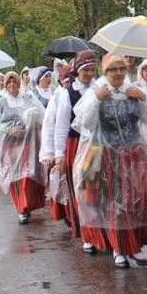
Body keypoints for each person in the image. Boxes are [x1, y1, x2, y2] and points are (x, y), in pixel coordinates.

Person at [71, 53, 147, 268]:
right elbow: (85, 121)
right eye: (113, 69)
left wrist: (143, 97)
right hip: (108, 156)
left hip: (135, 154)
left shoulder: (132, 91)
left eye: (121, 69)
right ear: (105, 72)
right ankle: (120, 248)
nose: (118, 73)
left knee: (138, 199)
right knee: (114, 201)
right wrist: (96, 98)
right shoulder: (97, 92)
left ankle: (135, 245)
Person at [0, 71, 47, 225]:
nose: (12, 85)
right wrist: (10, 130)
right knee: (15, 176)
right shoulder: (0, 104)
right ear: (5, 85)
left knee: (28, 174)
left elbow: (43, 118)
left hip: (29, 144)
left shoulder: (30, 99)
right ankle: (21, 208)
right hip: (11, 145)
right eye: (9, 83)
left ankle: (27, 204)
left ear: (19, 83)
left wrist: (31, 127)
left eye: (14, 82)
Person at [43, 57, 96, 234]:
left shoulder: (101, 89)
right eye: (85, 70)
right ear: (77, 71)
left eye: (92, 70)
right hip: (75, 144)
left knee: (96, 186)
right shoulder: (68, 93)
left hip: (97, 145)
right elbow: (60, 126)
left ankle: (98, 227)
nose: (89, 74)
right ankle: (83, 228)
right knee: (77, 186)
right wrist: (59, 154)